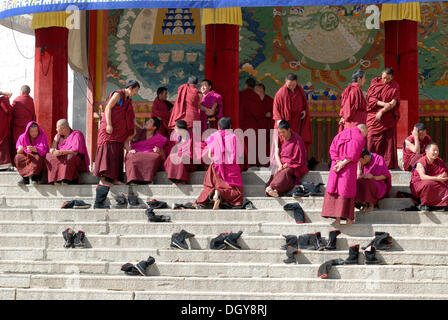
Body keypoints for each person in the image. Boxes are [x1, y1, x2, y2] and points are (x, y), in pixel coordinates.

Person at [93, 80, 139, 186]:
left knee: (117, 154)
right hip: (110, 129)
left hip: (119, 132)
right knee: (107, 152)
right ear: (130, 88)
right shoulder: (118, 95)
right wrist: (109, 124)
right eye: (136, 90)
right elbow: (108, 107)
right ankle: (103, 179)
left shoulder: (127, 100)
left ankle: (114, 179)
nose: (136, 93)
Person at [321, 124, 368, 226]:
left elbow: (332, 148)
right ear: (363, 130)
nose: (365, 136)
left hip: (335, 166)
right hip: (348, 168)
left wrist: (338, 161)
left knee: (336, 190)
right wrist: (342, 164)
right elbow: (353, 154)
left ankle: (337, 220)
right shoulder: (359, 137)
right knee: (346, 191)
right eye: (366, 134)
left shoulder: (341, 134)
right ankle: (349, 220)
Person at [195, 117, 244, 209]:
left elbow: (210, 155)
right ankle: (219, 193)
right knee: (237, 192)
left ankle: (212, 195)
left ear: (218, 127)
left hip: (216, 167)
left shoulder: (213, 136)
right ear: (230, 127)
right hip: (231, 168)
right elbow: (240, 153)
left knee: (209, 187)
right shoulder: (234, 137)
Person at [366, 67, 400, 169]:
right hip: (373, 117)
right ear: (381, 75)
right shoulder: (375, 83)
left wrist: (382, 111)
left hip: (387, 118)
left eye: (388, 79)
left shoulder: (395, 86)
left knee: (387, 143)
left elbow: (393, 103)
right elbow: (371, 99)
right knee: (370, 139)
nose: (385, 81)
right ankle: (368, 162)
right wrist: (384, 104)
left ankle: (386, 165)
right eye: (384, 78)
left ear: (392, 78)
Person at [265, 120, 308, 197]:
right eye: (280, 132)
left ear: (289, 129)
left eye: (283, 132)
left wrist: (288, 164)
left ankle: (272, 188)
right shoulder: (279, 137)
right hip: (281, 164)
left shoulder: (297, 139)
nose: (282, 134)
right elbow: (276, 152)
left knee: (285, 173)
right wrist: (279, 165)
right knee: (276, 173)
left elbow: (300, 157)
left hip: (292, 165)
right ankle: (276, 192)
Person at [273, 73, 312, 148]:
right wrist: (279, 120)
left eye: (293, 85)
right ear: (285, 82)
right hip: (286, 122)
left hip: (297, 121)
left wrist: (304, 111)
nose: (291, 87)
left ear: (296, 82)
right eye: (289, 85)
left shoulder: (299, 90)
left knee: (296, 140)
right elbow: (276, 108)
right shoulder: (280, 93)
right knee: (285, 141)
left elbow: (304, 103)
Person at [45, 119, 90, 185]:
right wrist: (52, 151)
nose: (56, 129)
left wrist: (61, 152)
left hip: (73, 157)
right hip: (60, 155)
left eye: (57, 128)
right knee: (48, 156)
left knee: (69, 157)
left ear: (64, 129)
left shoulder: (77, 135)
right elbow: (52, 148)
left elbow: (75, 152)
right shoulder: (57, 136)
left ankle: (66, 179)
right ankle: (56, 179)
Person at [125, 117, 168, 184]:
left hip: (149, 154)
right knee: (130, 156)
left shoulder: (159, 138)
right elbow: (125, 141)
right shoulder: (137, 132)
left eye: (150, 122)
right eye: (148, 121)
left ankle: (147, 180)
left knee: (156, 156)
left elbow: (162, 154)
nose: (147, 122)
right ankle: (133, 179)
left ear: (154, 127)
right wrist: (129, 150)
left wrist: (158, 151)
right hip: (135, 152)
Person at [410, 142, 448, 212]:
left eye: (437, 150)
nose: (436, 152)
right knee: (428, 184)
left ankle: (441, 205)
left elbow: (444, 171)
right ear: (426, 151)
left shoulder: (439, 161)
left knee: (444, 184)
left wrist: (443, 175)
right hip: (420, 183)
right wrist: (437, 178)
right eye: (434, 150)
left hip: (436, 181)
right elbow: (423, 177)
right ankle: (425, 204)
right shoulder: (421, 162)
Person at [355, 149, 391, 213]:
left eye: (360, 160)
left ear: (365, 157)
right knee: (358, 182)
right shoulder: (361, 162)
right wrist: (361, 175)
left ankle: (371, 205)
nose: (359, 162)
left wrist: (373, 177)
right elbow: (358, 174)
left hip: (378, 182)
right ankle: (364, 204)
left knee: (367, 183)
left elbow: (385, 176)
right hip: (366, 180)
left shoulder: (378, 159)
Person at [164, 120, 197, 184]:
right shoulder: (178, 137)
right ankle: (175, 180)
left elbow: (194, 150)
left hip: (189, 158)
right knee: (171, 158)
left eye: (175, 128)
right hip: (180, 155)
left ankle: (182, 180)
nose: (174, 130)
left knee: (181, 158)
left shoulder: (191, 136)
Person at [10, 85, 35, 163]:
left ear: (21, 91)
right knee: (27, 143)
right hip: (28, 127)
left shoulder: (17, 100)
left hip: (17, 127)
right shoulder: (31, 101)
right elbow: (34, 114)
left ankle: (16, 162)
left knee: (17, 144)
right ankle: (26, 161)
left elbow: (11, 112)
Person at [255, 83, 274, 161]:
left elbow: (276, 111)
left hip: (267, 126)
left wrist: (271, 114)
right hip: (257, 125)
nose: (255, 91)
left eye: (256, 90)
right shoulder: (254, 100)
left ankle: (267, 161)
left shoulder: (270, 100)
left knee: (267, 145)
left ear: (261, 90)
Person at [0, 90, 13, 170]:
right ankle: (4, 165)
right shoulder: (3, 101)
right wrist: (1, 92)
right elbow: (10, 94)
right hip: (3, 129)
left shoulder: (2, 101)